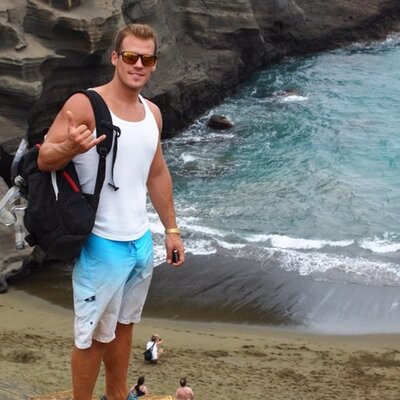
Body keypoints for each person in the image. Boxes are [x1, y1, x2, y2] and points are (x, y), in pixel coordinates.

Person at [37, 23, 185, 400]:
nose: (138, 65)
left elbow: (156, 172)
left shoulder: (153, 113)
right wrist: (70, 147)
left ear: (154, 64)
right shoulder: (84, 104)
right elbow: (44, 158)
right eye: (131, 56)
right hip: (101, 243)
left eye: (147, 59)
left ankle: (117, 395)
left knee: (124, 325)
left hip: (140, 241)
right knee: (92, 337)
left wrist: (171, 230)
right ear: (115, 58)